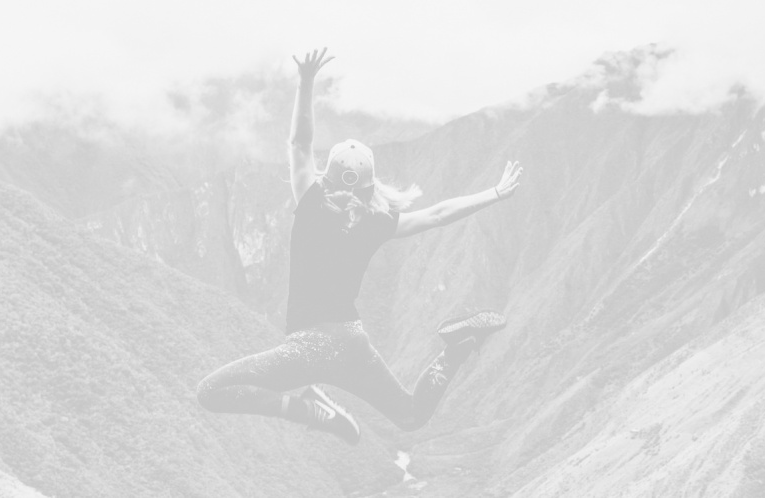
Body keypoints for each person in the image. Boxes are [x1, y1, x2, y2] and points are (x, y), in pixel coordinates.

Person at [196, 48, 523, 444]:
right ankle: (456, 348)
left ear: (326, 178)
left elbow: (299, 143)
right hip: (353, 344)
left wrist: (306, 82)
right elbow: (438, 214)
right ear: (370, 187)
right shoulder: (377, 222)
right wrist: (494, 193)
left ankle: (309, 410)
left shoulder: (311, 204)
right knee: (410, 415)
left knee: (211, 391)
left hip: (308, 348)